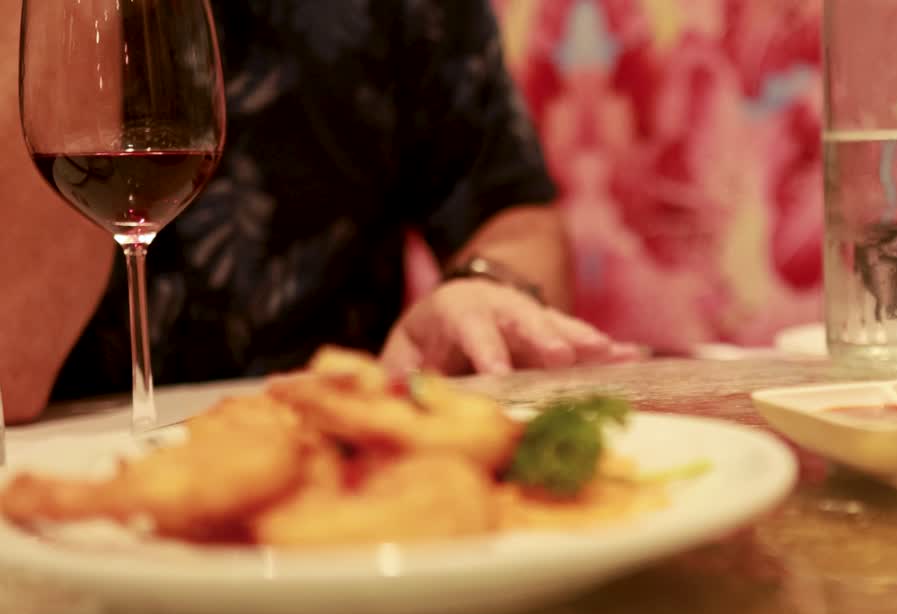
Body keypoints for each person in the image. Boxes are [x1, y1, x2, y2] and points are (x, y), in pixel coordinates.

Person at [0, 0, 637, 424]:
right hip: (57, 505)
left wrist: (483, 291)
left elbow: (514, 217)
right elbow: (11, 374)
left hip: (338, 476)